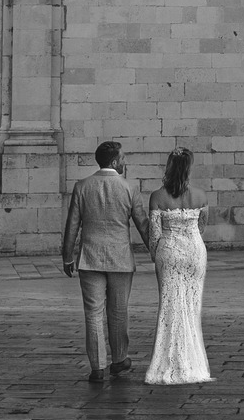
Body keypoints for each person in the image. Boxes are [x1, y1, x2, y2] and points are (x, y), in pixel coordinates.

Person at [61, 140, 151, 385]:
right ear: (114, 161)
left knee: (93, 314)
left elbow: (72, 225)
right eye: (122, 158)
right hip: (120, 260)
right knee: (119, 311)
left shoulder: (82, 186)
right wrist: (156, 250)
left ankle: (97, 367)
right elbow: (143, 224)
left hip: (89, 259)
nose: (125, 162)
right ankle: (119, 359)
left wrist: (67, 255)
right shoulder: (129, 188)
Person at [144, 147, 211, 385]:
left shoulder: (157, 197)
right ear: (189, 168)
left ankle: (169, 363)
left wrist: (157, 255)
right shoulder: (201, 195)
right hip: (194, 251)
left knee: (169, 307)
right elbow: (201, 227)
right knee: (192, 309)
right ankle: (193, 364)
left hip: (169, 251)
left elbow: (154, 236)